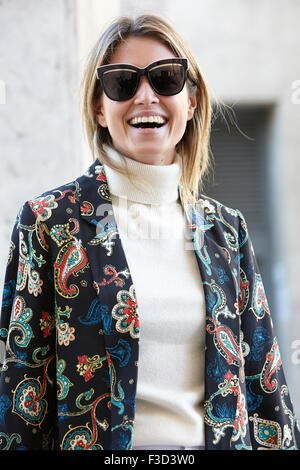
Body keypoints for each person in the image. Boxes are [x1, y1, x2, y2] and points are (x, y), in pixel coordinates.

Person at [0, 14, 299, 451]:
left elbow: (266, 395)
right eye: (122, 83)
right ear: (99, 108)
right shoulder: (49, 223)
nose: (146, 96)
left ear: (192, 101)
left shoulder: (226, 231)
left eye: (165, 79)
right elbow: (20, 406)